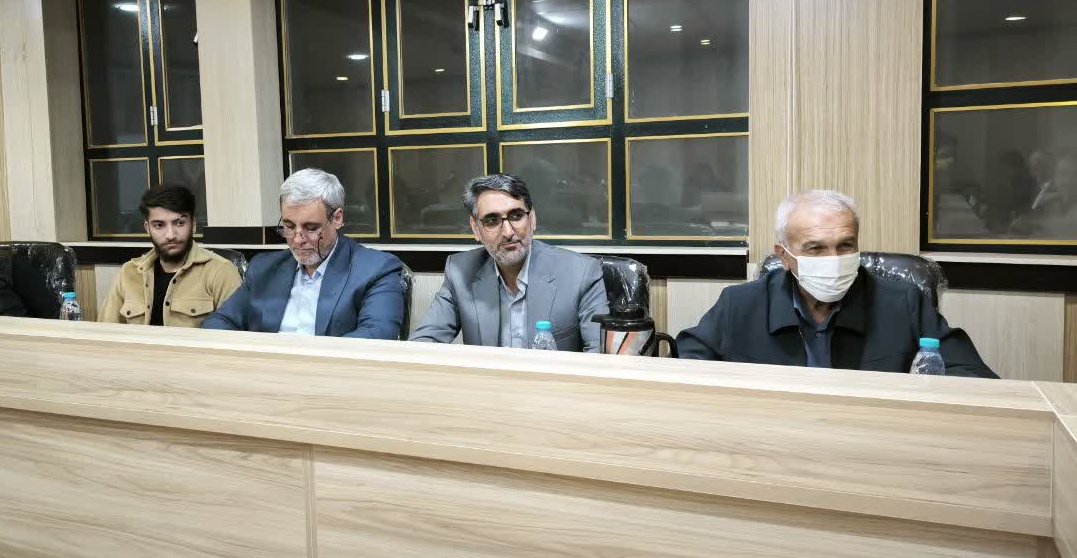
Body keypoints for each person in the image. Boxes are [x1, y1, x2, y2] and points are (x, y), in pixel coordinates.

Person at [677, 190, 997, 377]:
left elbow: (972, 376)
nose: (833, 258)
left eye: (845, 245)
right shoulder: (740, 304)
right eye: (815, 248)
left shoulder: (903, 302)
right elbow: (687, 366)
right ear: (784, 256)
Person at [409, 174, 608, 352]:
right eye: (492, 220)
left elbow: (601, 356)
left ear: (533, 219)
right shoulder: (460, 272)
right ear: (475, 229)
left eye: (516, 216)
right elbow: (422, 344)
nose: (508, 232)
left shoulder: (581, 273)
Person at [202, 169, 405, 338]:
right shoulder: (263, 268)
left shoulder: (375, 269)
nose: (298, 239)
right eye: (289, 226)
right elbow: (218, 322)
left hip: (330, 372)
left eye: (311, 228)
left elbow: (377, 335)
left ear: (337, 218)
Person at [98, 185, 241, 327]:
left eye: (179, 223)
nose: (170, 235)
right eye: (159, 225)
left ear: (193, 225)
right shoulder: (129, 272)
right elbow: (105, 331)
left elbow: (237, 335)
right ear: (147, 228)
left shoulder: (221, 272)